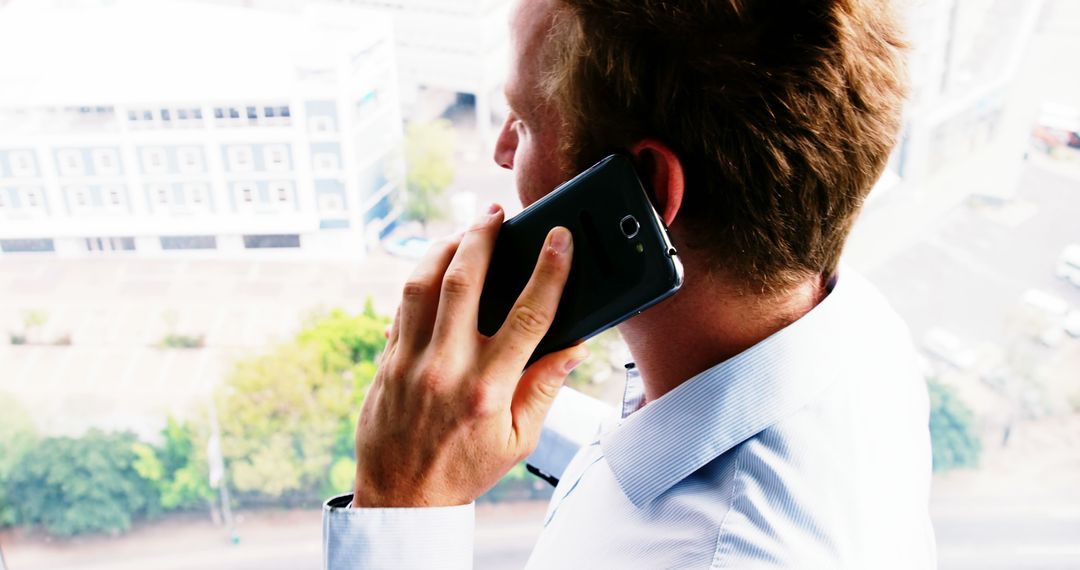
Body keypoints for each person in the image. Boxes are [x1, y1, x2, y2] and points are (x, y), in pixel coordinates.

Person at [323, 0, 936, 567]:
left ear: (643, 187)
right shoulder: (858, 329)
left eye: (524, 120)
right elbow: (669, 454)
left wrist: (402, 500)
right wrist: (472, 410)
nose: (501, 152)